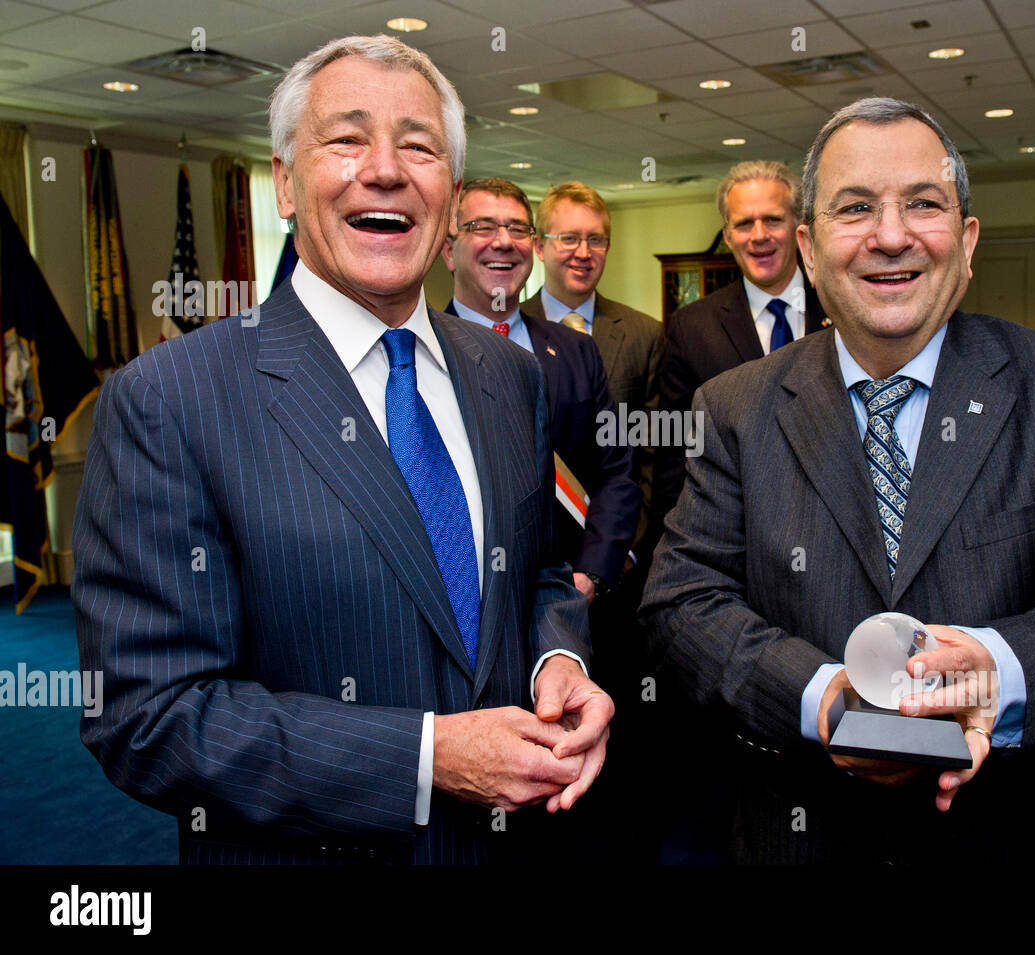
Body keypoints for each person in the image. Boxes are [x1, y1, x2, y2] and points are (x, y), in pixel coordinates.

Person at [72, 35, 613, 865]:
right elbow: (148, 715)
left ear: (451, 195)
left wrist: (558, 658)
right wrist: (429, 760)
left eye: (420, 146)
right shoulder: (170, 399)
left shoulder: (507, 374)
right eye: (348, 139)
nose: (387, 170)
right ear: (286, 184)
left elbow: (536, 569)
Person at [639, 97, 1035, 864]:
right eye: (856, 207)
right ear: (809, 247)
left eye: (924, 203)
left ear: (967, 242)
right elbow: (682, 601)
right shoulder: (734, 407)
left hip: (1029, 832)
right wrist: (822, 695)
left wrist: (999, 670)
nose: (892, 235)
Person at [442, 177, 640, 606]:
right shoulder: (418, 353)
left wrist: (592, 575)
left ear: (532, 246)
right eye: (482, 227)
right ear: (447, 250)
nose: (504, 242)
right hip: (468, 601)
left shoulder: (576, 350)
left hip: (574, 598)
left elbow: (616, 472)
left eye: (517, 228)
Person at [653, 159, 830, 532]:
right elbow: (674, 449)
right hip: (735, 536)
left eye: (773, 219)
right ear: (728, 234)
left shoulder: (841, 310)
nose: (758, 235)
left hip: (833, 531)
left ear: (800, 227)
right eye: (744, 223)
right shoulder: (692, 328)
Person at [520, 181, 664, 576]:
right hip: (532, 557)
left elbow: (653, 455)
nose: (583, 253)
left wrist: (630, 550)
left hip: (620, 565)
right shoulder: (507, 332)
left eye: (595, 240)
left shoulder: (644, 334)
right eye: (568, 238)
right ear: (539, 246)